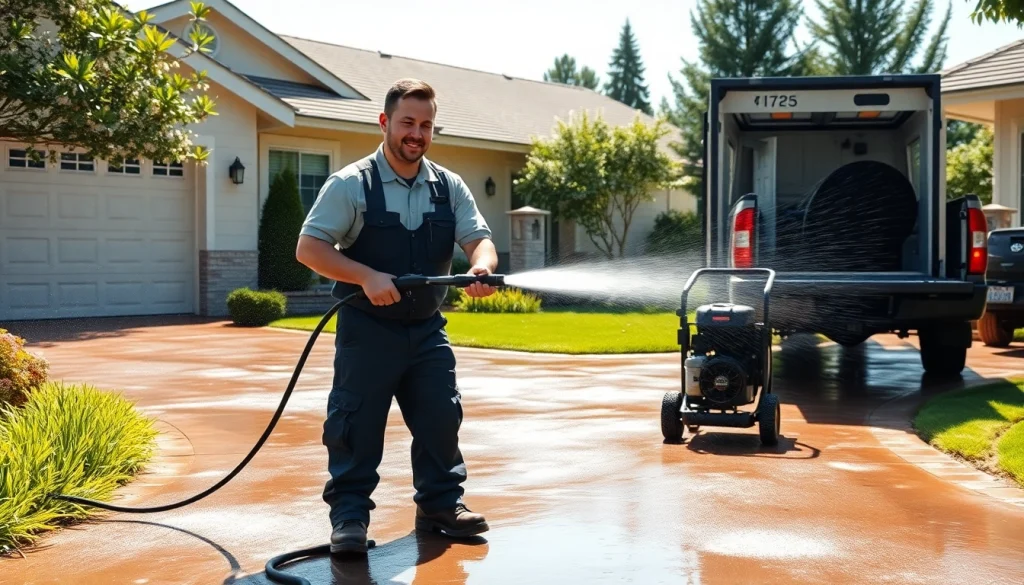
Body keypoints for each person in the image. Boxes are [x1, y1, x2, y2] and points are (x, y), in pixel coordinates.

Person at [295, 78, 499, 554]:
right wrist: (366, 275)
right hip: (368, 330)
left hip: (427, 329)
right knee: (355, 425)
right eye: (408, 122)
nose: (417, 133)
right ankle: (349, 519)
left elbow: (478, 238)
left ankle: (441, 505)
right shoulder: (351, 184)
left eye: (426, 125)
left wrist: (482, 265)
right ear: (385, 122)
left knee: (440, 416)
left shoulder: (448, 186)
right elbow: (309, 248)